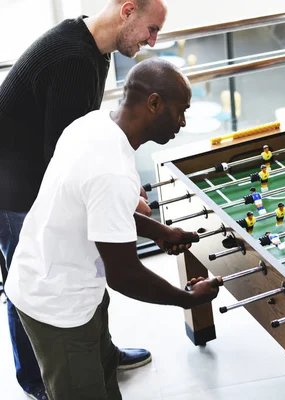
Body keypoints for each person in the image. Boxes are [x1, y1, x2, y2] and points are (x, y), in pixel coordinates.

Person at [4, 58, 220, 400]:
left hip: (72, 284)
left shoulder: (93, 124)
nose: (183, 121)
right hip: (57, 305)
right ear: (154, 103)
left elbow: (98, 211)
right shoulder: (114, 172)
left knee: (106, 380)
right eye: (181, 111)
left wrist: (160, 233)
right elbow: (124, 275)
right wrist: (188, 299)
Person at [0, 1, 167, 398]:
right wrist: (118, 197)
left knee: (84, 268)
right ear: (128, 10)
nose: (153, 41)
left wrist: (122, 188)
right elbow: (65, 155)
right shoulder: (74, 57)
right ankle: (41, 379)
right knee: (32, 282)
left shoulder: (96, 50)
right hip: (14, 188)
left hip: (36, 175)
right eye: (152, 29)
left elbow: (87, 140)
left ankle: (98, 353)